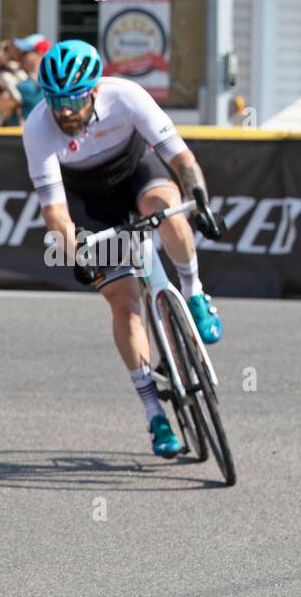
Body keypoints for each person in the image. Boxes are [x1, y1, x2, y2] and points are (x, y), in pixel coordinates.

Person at [22, 40, 225, 458]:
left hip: (136, 174)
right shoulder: (38, 128)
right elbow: (57, 214)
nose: (64, 111)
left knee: (168, 213)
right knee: (125, 304)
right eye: (56, 101)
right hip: (91, 205)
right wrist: (76, 251)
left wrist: (198, 196)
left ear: (94, 90)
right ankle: (154, 412)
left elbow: (181, 159)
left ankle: (194, 293)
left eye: (73, 100)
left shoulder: (126, 95)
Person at [0, 34, 47, 123]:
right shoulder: (48, 82)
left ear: (39, 54)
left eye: (25, 53)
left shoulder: (28, 87)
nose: (20, 56)